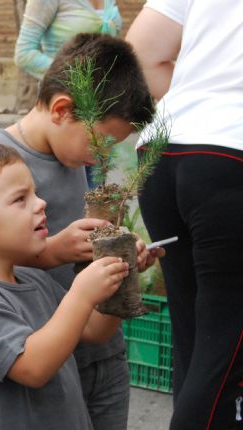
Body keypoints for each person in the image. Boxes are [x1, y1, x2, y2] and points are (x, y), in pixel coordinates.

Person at [0, 33, 159, 430]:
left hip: (104, 349)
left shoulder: (75, 156)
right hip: (45, 356)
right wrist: (53, 251)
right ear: (63, 109)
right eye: (101, 143)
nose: (103, 156)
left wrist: (123, 259)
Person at [0, 144, 129, 429]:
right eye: (20, 199)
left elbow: (95, 330)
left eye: (35, 194)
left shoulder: (32, 277)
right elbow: (32, 367)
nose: (40, 204)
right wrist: (82, 294)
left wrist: (119, 273)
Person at [126, 2, 243, 429]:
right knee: (223, 350)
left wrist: (200, 93)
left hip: (166, 146)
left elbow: (140, 51)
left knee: (197, 340)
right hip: (231, 152)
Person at [14, 0, 123, 188]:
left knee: (95, 197)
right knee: (64, 195)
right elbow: (24, 54)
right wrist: (77, 81)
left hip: (101, 107)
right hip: (65, 107)